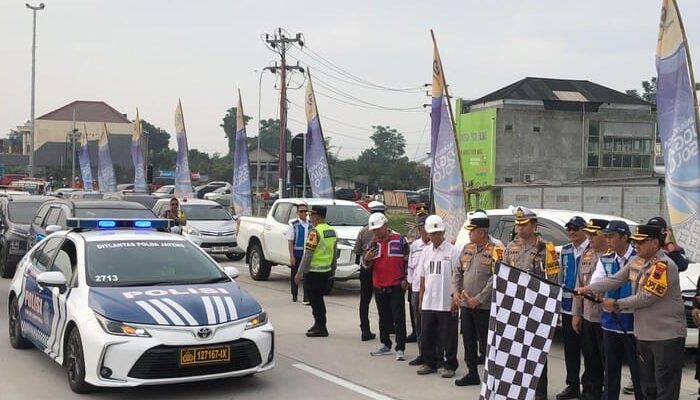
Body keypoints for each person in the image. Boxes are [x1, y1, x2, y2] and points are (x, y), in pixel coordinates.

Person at [579, 223, 686, 399]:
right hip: (644, 335)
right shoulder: (637, 261)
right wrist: (587, 289)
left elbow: (646, 297)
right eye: (635, 241)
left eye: (641, 242)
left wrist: (617, 304)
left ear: (654, 243)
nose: (636, 245)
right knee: (648, 388)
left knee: (665, 389)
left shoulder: (664, 266)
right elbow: (615, 280)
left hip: (666, 337)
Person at [503, 206, 559, 400]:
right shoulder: (510, 247)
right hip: (515, 307)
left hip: (537, 308)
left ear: (534, 225)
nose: (520, 229)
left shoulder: (546, 249)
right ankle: (519, 388)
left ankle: (539, 393)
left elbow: (554, 279)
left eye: (524, 225)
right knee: (516, 350)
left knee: (537, 352)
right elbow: (504, 277)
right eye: (518, 225)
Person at [584, 220, 642, 400]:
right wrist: (590, 290)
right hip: (609, 322)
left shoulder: (638, 259)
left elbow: (637, 289)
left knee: (638, 372)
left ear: (625, 237)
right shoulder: (606, 258)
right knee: (611, 371)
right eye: (606, 236)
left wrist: (617, 302)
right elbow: (596, 283)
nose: (608, 240)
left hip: (633, 322)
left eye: (612, 236)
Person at [452, 210, 502, 386]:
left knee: (487, 342)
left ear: (481, 232)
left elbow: (495, 278)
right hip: (466, 304)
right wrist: (455, 292)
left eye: (472, 231)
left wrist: (479, 298)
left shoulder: (496, 250)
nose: (469, 233)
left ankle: (492, 377)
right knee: (468, 340)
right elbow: (457, 271)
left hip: (484, 306)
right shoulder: (468, 248)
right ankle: (472, 373)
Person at [416, 214, 461, 378]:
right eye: (432, 233)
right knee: (428, 334)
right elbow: (422, 277)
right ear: (427, 234)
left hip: (446, 301)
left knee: (449, 336)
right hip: (429, 301)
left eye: (438, 233)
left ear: (443, 233)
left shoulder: (453, 252)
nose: (435, 236)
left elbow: (458, 277)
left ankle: (449, 365)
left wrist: (455, 299)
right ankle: (430, 363)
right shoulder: (426, 252)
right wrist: (421, 299)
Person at [363, 212, 409, 360]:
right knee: (383, 317)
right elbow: (366, 266)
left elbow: (409, 262)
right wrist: (366, 259)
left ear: (386, 226)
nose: (376, 232)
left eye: (378, 229)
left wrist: (406, 279)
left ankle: (400, 347)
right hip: (379, 286)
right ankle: (385, 344)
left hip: (396, 285)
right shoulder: (373, 244)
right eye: (374, 230)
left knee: (399, 318)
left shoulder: (401, 240)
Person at [572, 218, 609, 400]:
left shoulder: (611, 256)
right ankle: (591, 393)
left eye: (595, 234)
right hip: (587, 316)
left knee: (607, 361)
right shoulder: (586, 254)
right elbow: (578, 285)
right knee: (590, 358)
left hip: (606, 319)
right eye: (589, 233)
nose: (590, 237)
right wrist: (576, 314)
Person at [556, 216, 590, 400]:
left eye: (575, 228)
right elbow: (561, 277)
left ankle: (589, 386)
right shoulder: (566, 250)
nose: (571, 231)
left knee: (590, 351)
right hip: (568, 307)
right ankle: (572, 385)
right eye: (569, 228)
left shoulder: (592, 250)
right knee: (570, 350)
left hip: (588, 308)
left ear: (584, 230)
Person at [294, 205, 338, 337]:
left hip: (313, 272)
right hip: (326, 271)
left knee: (314, 300)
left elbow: (308, 254)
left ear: (317, 216)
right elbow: (334, 251)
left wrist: (299, 272)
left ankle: (321, 326)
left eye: (311, 215)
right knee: (318, 300)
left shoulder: (315, 232)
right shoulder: (331, 231)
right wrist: (333, 268)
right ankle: (318, 324)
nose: (309, 217)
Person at [352, 200, 387, 341]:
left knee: (364, 300)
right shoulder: (387, 232)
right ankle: (387, 328)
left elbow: (356, 251)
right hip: (381, 269)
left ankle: (365, 330)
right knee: (383, 300)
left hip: (366, 268)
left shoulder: (363, 231)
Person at [407, 216, 429, 366]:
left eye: (425, 228)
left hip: (432, 290)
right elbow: (410, 266)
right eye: (420, 229)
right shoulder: (415, 245)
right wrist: (409, 281)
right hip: (416, 288)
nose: (423, 232)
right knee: (419, 323)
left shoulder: (440, 246)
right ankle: (423, 354)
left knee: (432, 324)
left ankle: (437, 355)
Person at [286, 202, 311, 303]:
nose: (304, 213)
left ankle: (306, 297)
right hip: (298, 253)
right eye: (301, 211)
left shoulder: (311, 225)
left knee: (307, 276)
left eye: (305, 211)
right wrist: (292, 255)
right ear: (297, 213)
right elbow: (290, 241)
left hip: (307, 254)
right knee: (295, 275)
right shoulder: (294, 225)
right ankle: (294, 295)